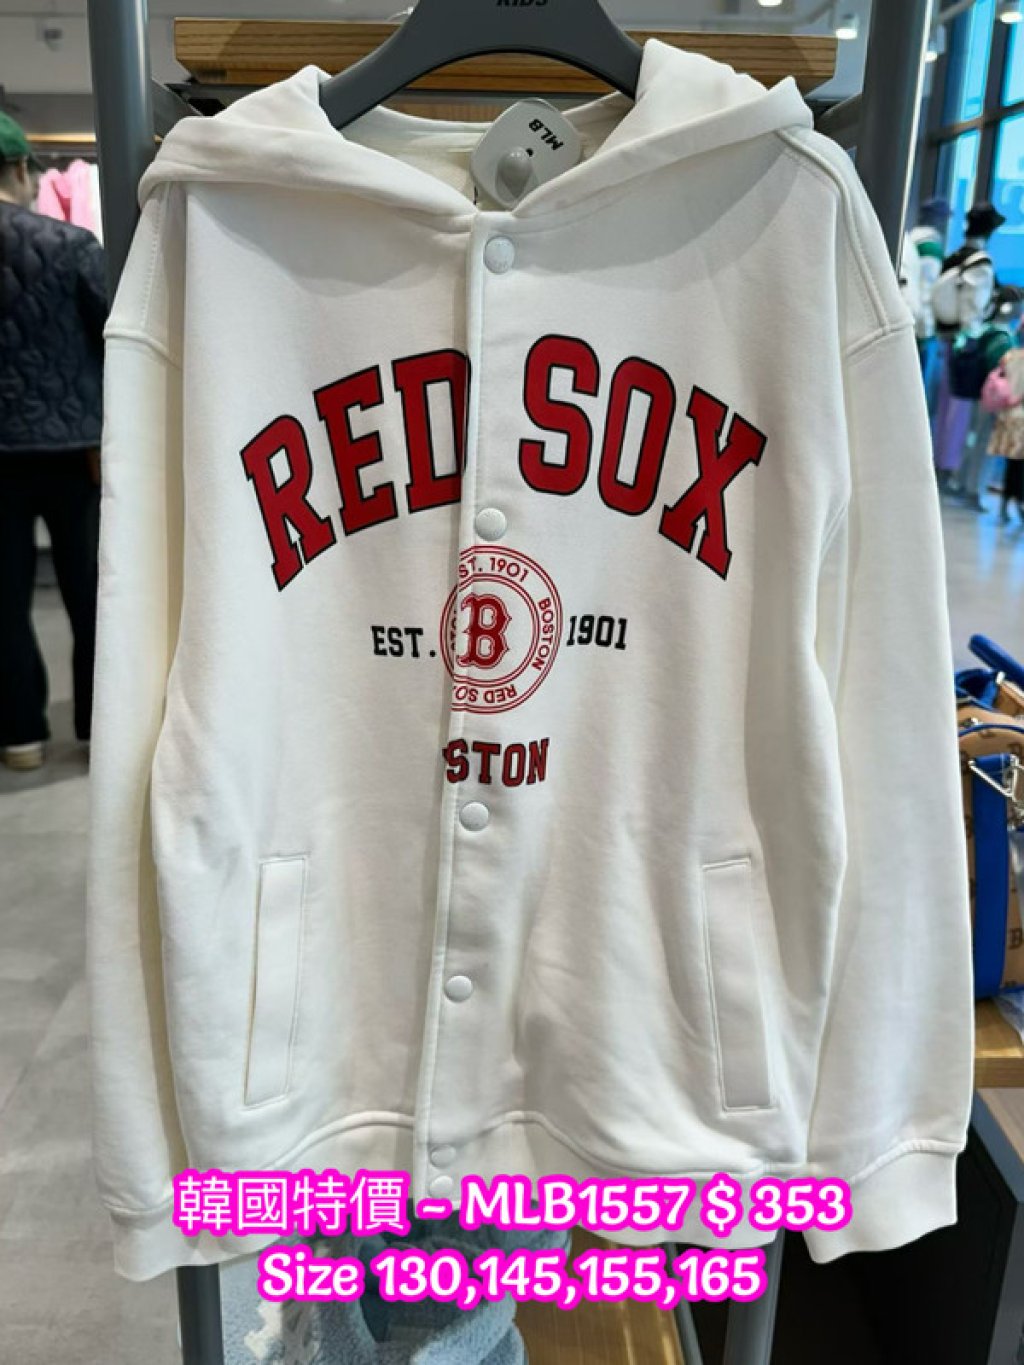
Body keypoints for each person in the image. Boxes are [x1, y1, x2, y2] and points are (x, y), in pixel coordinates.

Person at [0, 111, 107, 771]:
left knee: (3, 603)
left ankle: (20, 737)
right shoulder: (71, 244)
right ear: (20, 168)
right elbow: (113, 334)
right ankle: (99, 730)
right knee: (92, 592)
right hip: (76, 452)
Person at [932, 201, 1006, 482]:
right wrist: (970, 338)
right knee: (958, 410)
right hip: (963, 343)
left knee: (945, 406)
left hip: (945, 337)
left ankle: (940, 462)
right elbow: (972, 307)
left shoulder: (955, 256)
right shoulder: (980, 263)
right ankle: (947, 467)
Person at [906, 197, 951, 416]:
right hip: (920, 328)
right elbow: (926, 291)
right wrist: (925, 331)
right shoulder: (929, 247)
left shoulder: (912, 240)